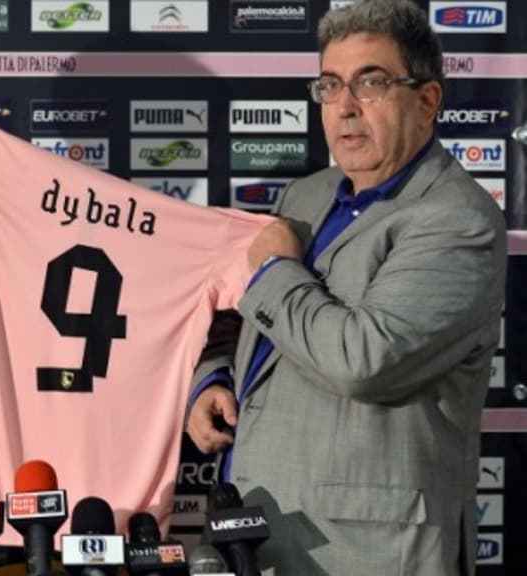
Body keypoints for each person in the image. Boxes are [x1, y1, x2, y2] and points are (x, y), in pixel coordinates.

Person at [186, 1, 506, 575]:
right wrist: (215, 375)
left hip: (367, 552)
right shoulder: (305, 195)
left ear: (427, 101)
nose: (346, 106)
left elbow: (365, 360)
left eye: (371, 82)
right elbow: (251, 312)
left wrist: (276, 269)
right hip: (258, 531)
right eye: (330, 85)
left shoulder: (458, 221)